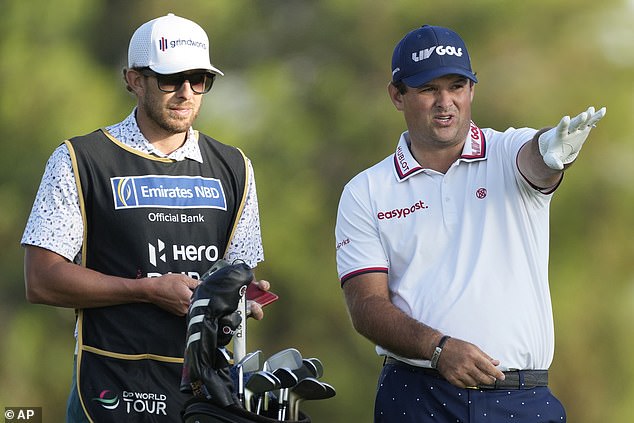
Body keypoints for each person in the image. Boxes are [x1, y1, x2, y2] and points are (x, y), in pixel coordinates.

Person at [335, 24, 606, 423]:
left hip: (521, 397)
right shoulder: (367, 191)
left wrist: (552, 152)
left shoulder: (506, 150)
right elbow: (366, 306)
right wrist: (438, 348)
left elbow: (535, 161)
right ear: (397, 95)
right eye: (428, 89)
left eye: (457, 86)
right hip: (416, 395)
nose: (446, 102)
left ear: (472, 90)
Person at [21, 13, 269, 423]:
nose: (186, 93)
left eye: (199, 80)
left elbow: (237, 271)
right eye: (170, 79)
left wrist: (245, 297)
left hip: (205, 394)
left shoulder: (235, 166)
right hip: (110, 388)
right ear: (134, 80)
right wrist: (146, 290)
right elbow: (41, 279)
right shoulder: (80, 160)